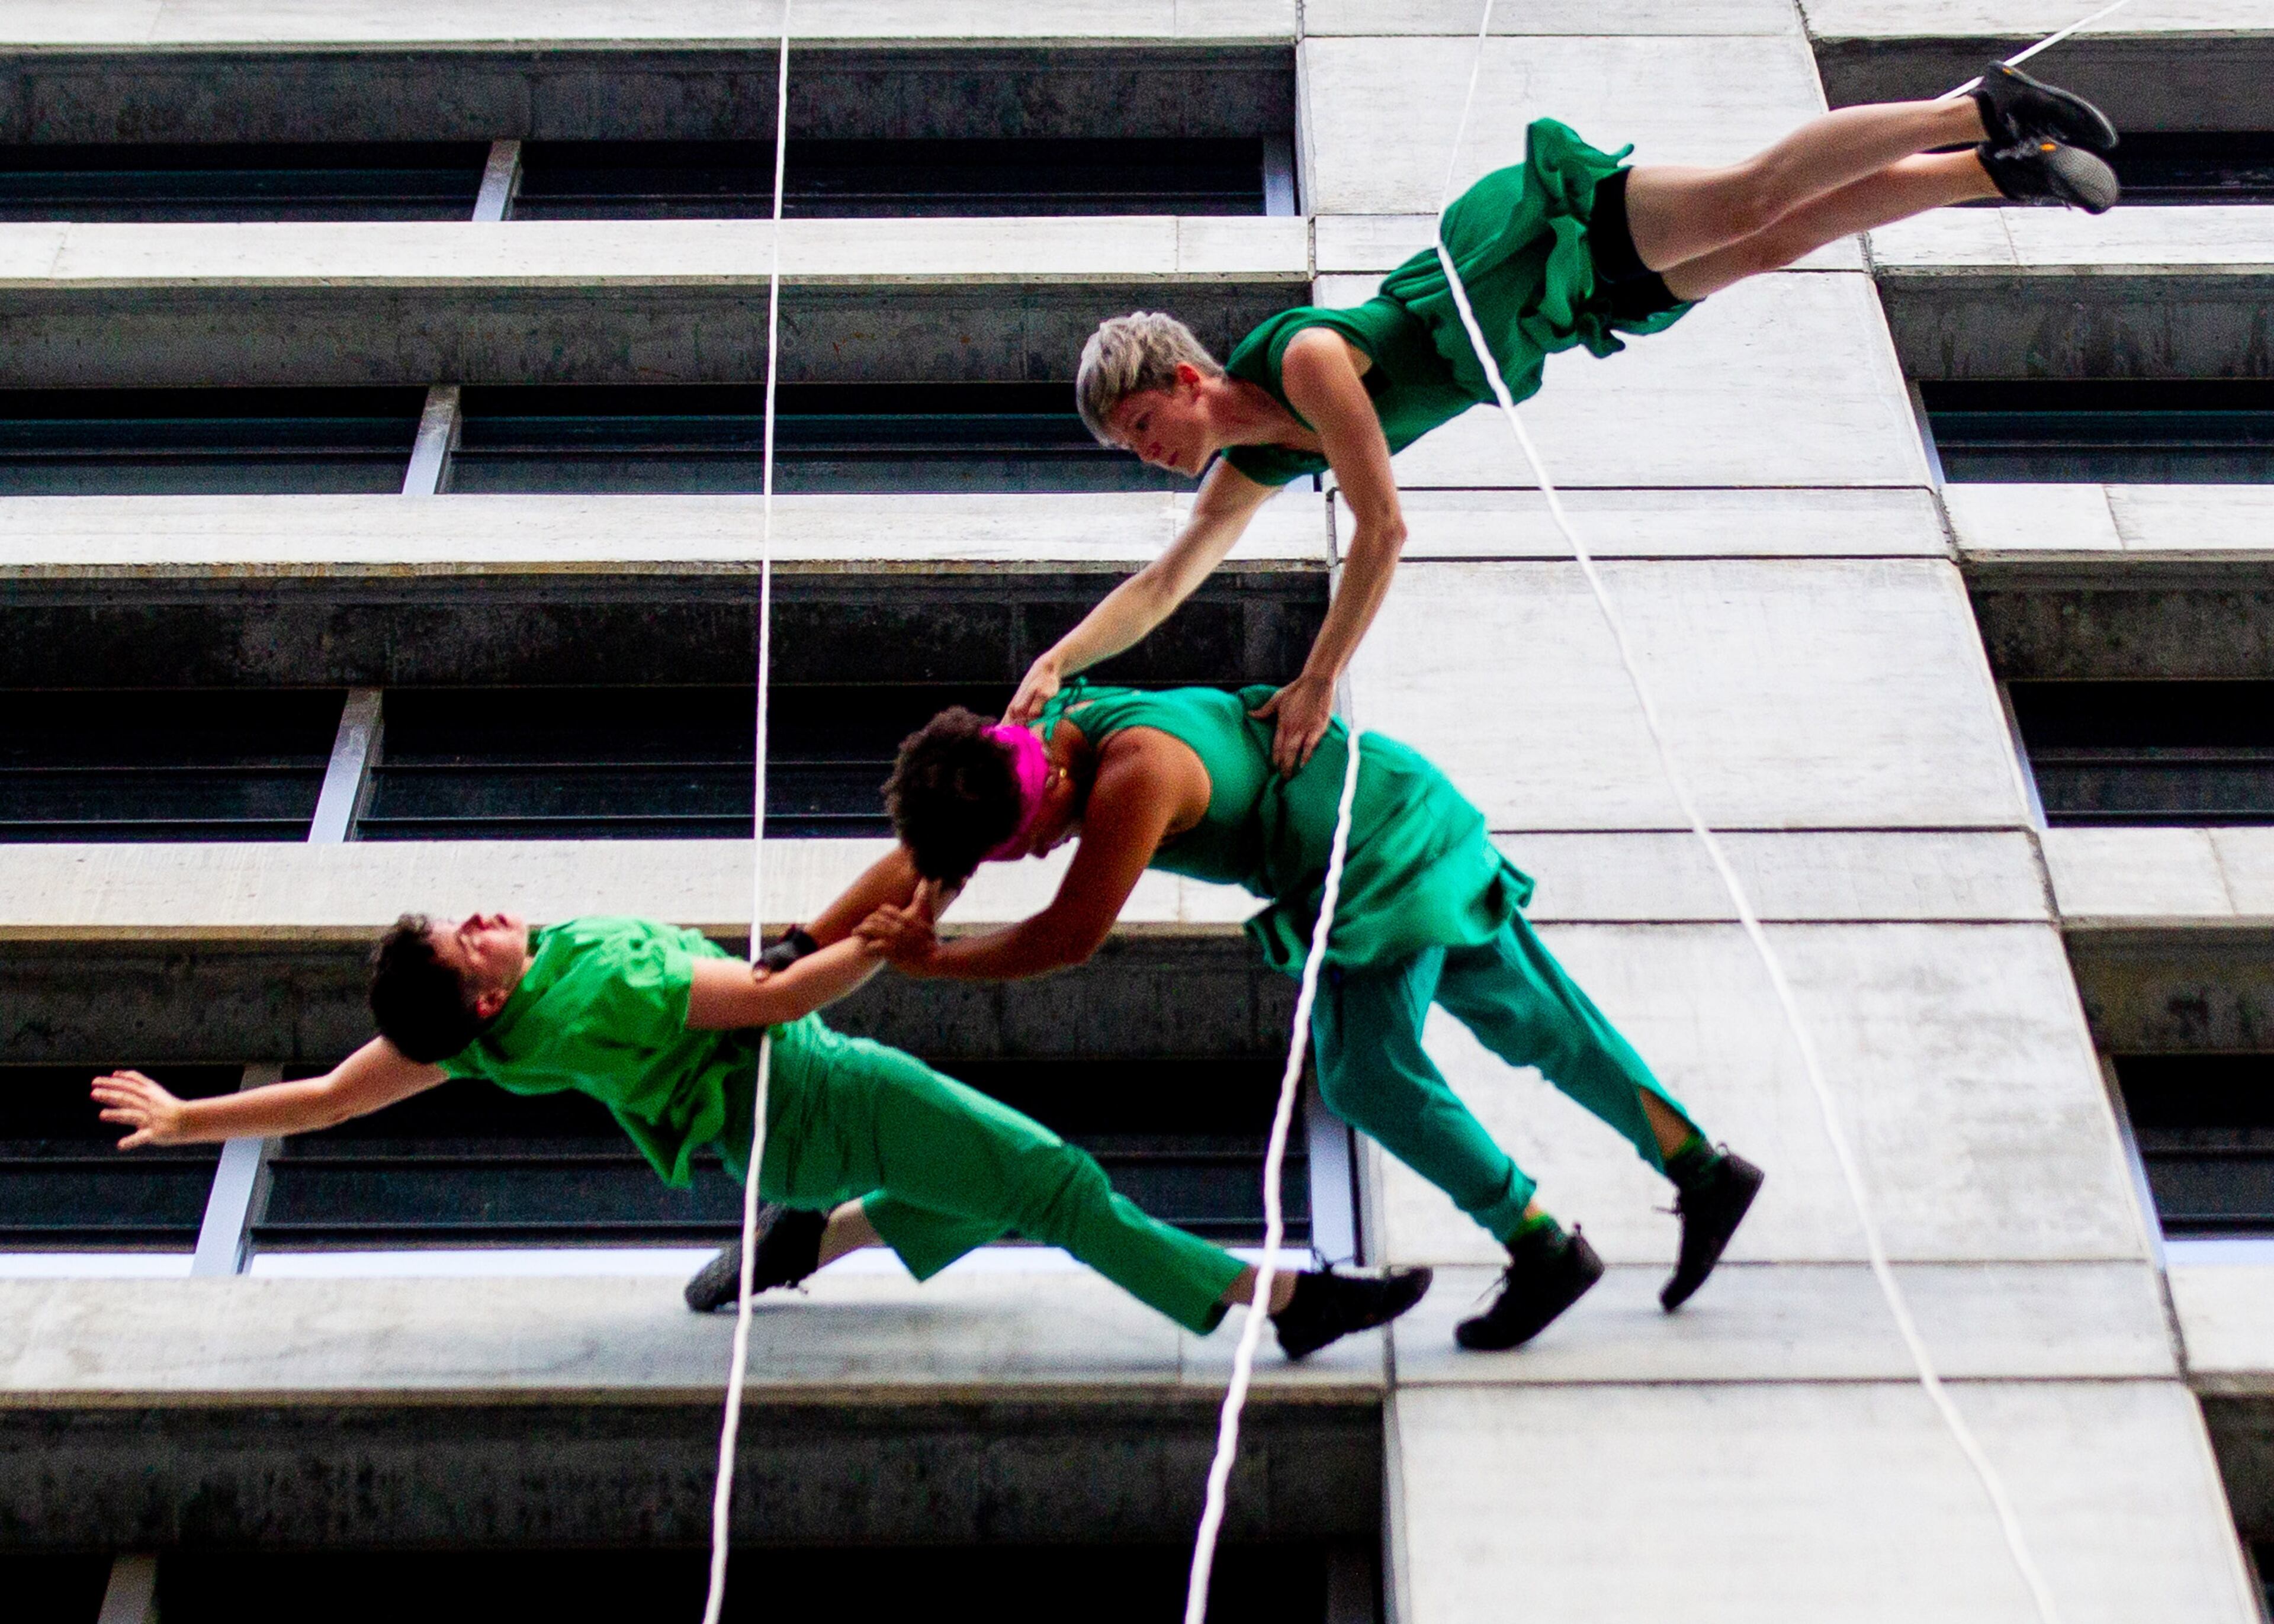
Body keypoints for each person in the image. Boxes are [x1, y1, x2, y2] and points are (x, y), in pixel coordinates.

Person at [1017, 66, 2122, 772]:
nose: (1146, 454)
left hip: (1527, 250)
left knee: (1746, 200)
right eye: (1130, 450)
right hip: (1548, 318)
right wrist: (1059, 667)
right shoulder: (1251, 458)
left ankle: (1974, 107)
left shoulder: (1303, 361)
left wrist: (1317, 679)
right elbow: (1165, 583)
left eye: (1138, 424)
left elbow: (1384, 526)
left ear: (1179, 374)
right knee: (1771, 244)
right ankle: (1992, 172)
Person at [798, 687, 1764, 1351]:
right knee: (1538, 1019)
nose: (1046, 851)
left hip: (1369, 852)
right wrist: (805, 945)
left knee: (1367, 1075)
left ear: (1047, 786)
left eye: (1038, 841)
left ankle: (1542, 1247)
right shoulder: (1036, 731)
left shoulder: (1136, 777)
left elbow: (1069, 934)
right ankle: (1703, 1170)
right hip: (1387, 805)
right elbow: (931, 863)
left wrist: (938, 963)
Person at [89, 909, 1431, 1360]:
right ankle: (1277, 1299)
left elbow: (328, 1097)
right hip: (809, 1087)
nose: (488, 911)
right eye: (470, 934)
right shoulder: (591, 988)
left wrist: (193, 1115)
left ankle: (805, 1243)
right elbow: (783, 995)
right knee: (1055, 1181)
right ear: (488, 991)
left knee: (994, 1181)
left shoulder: (479, 1035)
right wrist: (884, 946)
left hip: (786, 1125)